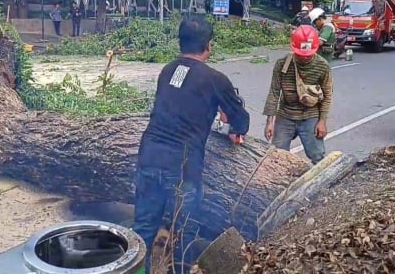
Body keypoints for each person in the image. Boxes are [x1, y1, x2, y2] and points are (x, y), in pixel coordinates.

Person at [133, 18, 250, 273]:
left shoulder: (168, 70)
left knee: (142, 229)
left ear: (180, 42)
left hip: (149, 157)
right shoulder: (215, 79)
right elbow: (240, 118)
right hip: (182, 166)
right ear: (208, 45)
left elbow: (180, 102)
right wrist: (235, 130)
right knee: (185, 232)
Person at [262, 25, 333, 165]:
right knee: (277, 157)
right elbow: (274, 92)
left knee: (317, 156)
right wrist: (270, 122)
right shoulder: (282, 64)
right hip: (285, 115)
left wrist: (322, 121)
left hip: (310, 115)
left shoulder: (323, 66)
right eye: (301, 54)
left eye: (308, 55)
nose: (305, 58)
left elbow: (327, 96)